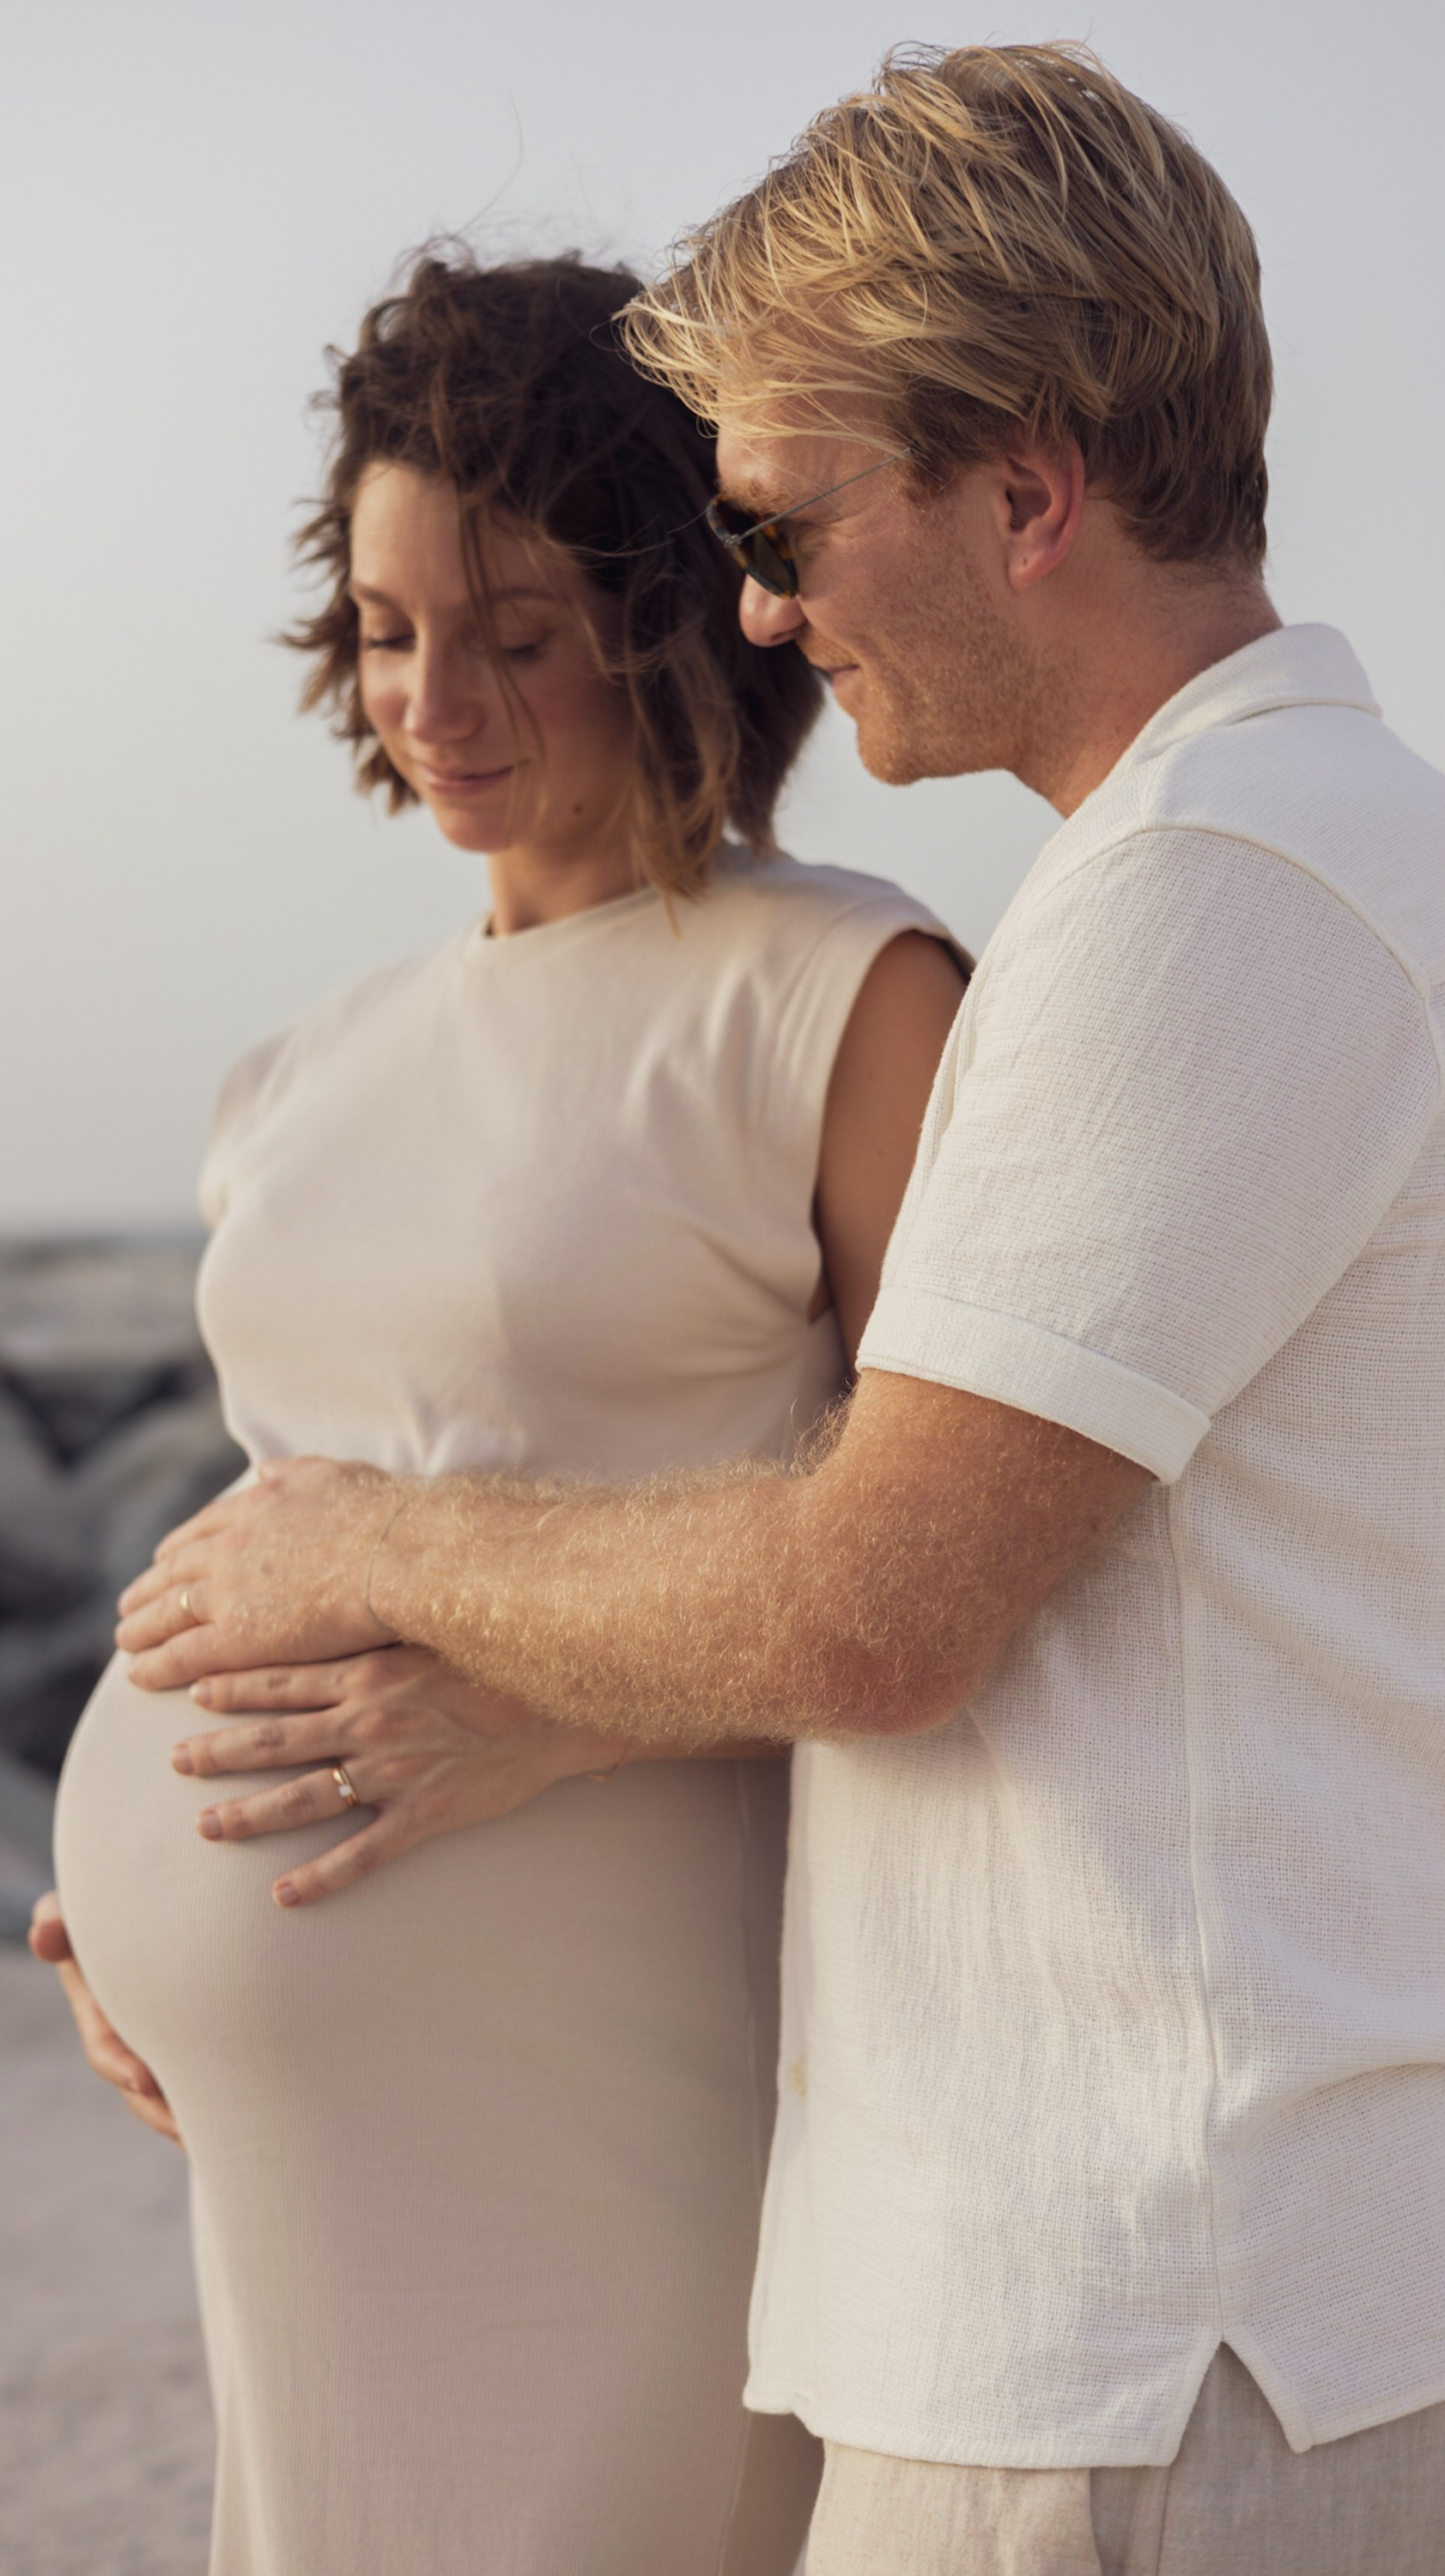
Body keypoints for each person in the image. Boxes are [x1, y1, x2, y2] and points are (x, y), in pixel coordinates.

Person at [115, 46, 1445, 2576]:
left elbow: (870, 1602)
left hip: (1152, 2340)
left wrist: (358, 1548)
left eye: (794, 515)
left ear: (1032, 486)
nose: (758, 603)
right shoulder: (1245, 868)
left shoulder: (1212, 900)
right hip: (1122, 2323)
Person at [36, 248, 968, 2576]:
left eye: (519, 625)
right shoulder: (294, 1078)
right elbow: (296, 1515)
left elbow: (975, 1569)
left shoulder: (843, 1002)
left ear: (675, 614)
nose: (435, 697)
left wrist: (574, 1716)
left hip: (629, 2086)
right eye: (383, 626)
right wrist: (116, 1906)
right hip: (292, 2157)